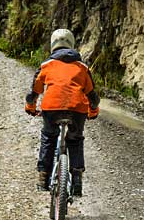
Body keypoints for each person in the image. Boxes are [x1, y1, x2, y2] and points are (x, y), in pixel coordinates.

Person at [24, 28, 100, 195]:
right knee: (75, 139)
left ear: (53, 45)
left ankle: (43, 178)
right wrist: (93, 111)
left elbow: (33, 93)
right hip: (77, 110)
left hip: (51, 108)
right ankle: (77, 180)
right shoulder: (82, 67)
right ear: (72, 45)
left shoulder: (46, 66)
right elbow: (93, 97)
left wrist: (30, 107)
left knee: (49, 137)